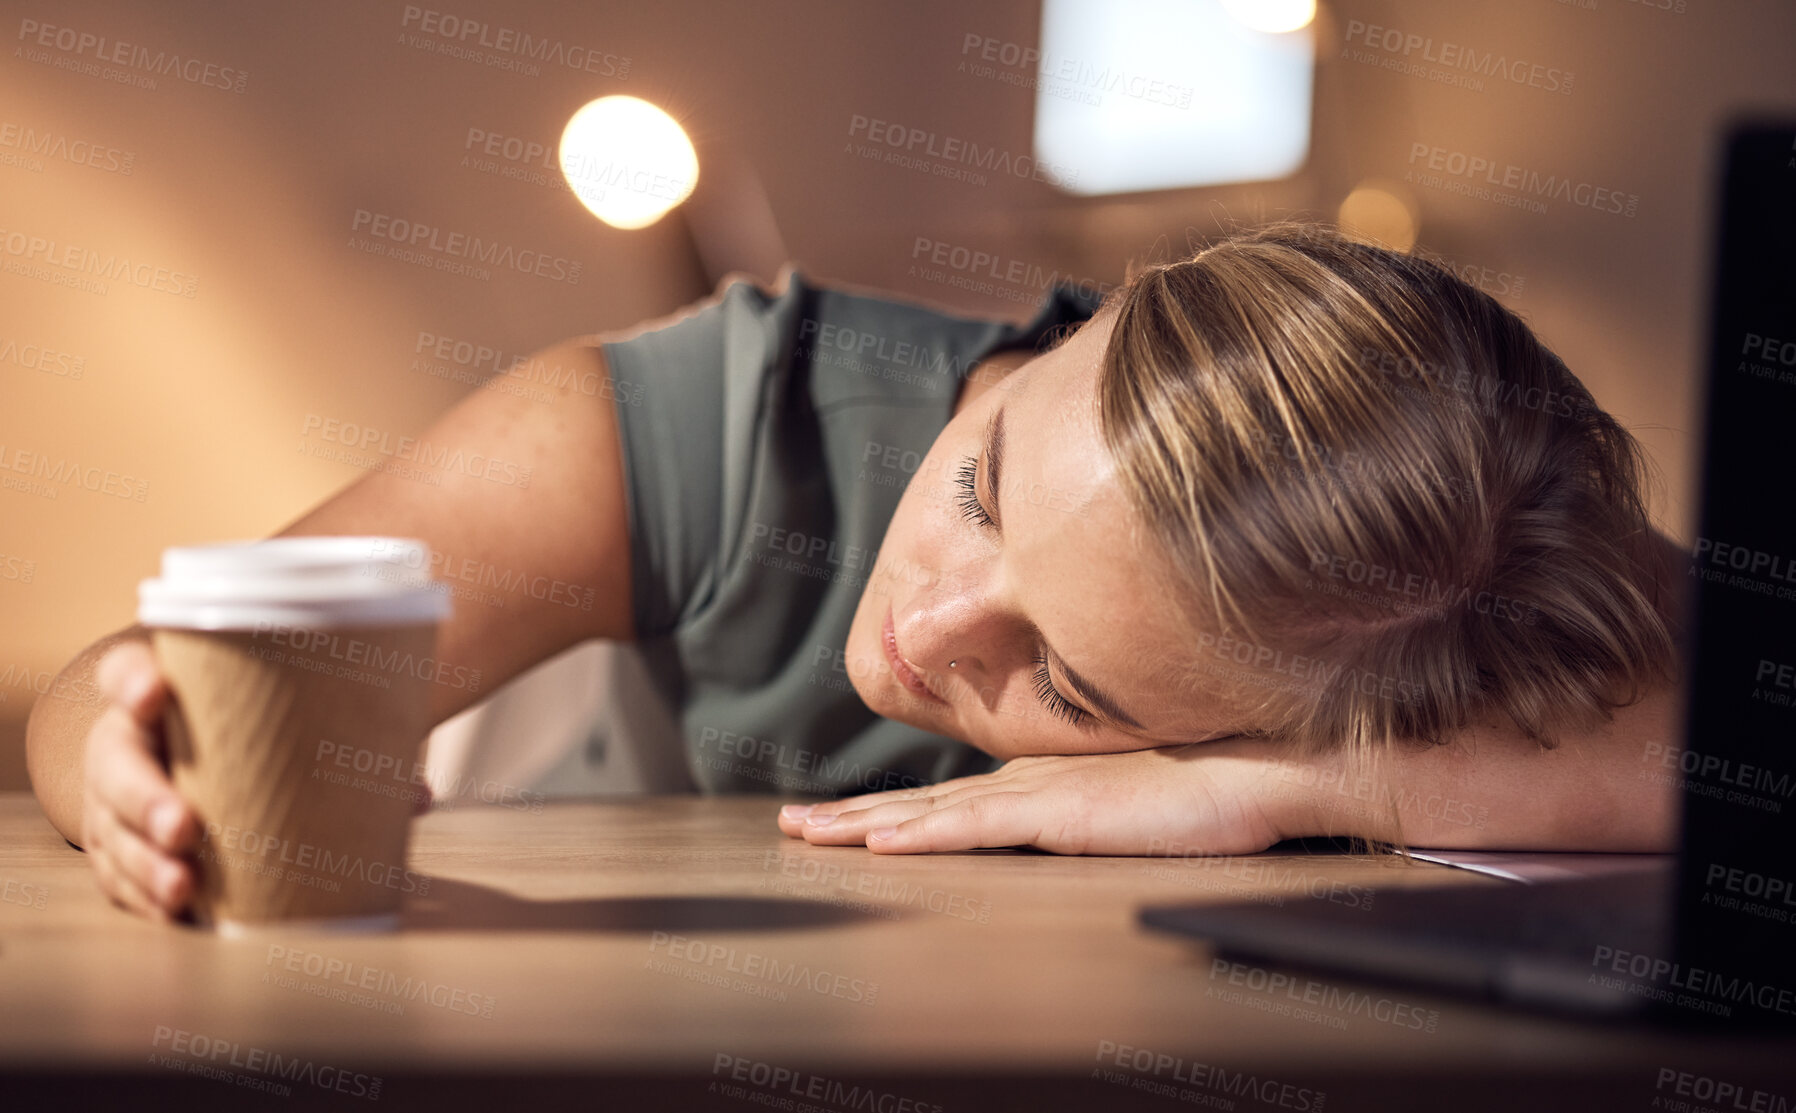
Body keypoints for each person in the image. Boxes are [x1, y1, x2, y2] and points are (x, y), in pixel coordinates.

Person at [25, 223, 1687, 924]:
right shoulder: (715, 426)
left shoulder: (1434, 602)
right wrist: (122, 758)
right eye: (979, 485)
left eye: (1072, 687)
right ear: (1088, 316)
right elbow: (124, 676)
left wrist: (1293, 782)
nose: (924, 629)